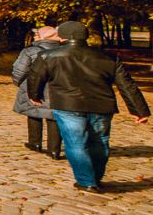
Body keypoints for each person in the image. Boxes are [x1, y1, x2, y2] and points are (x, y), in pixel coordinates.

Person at [26, 20, 149, 192]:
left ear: (61, 37)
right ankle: (95, 177)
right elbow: (126, 84)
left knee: (75, 143)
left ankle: (86, 180)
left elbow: (35, 77)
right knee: (100, 141)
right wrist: (139, 109)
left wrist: (35, 95)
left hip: (67, 104)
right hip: (102, 104)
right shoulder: (108, 57)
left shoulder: (48, 56)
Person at [12, 26, 61, 156]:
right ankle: (54, 149)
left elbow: (20, 70)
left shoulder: (30, 51)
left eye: (36, 34)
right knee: (54, 117)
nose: (34, 37)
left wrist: (18, 82)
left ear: (41, 37)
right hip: (57, 87)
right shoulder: (62, 50)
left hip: (33, 85)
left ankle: (35, 143)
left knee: (33, 113)